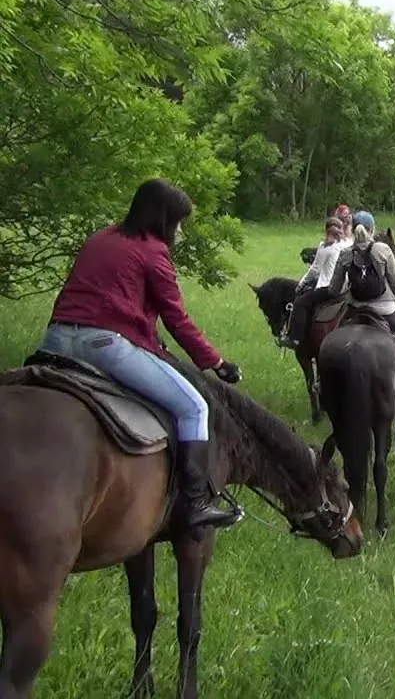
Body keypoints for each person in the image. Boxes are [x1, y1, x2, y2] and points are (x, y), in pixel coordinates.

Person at [37, 178, 243, 531]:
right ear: (164, 219)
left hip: (55, 340)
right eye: (178, 223)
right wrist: (216, 362)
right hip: (103, 345)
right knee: (194, 407)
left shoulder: (101, 238)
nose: (179, 231)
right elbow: (177, 320)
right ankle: (194, 505)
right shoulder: (153, 253)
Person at [329, 211, 395, 397]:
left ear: (352, 230)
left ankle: (324, 381)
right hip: (385, 308)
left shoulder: (345, 253)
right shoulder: (383, 250)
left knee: (330, 342)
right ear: (372, 229)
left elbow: (334, 290)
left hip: (355, 308)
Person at [279, 216, 346, 350]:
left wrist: (301, 284)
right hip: (343, 286)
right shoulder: (346, 244)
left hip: (328, 287)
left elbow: (315, 270)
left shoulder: (325, 248)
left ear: (326, 231)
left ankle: (294, 338)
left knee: (300, 302)